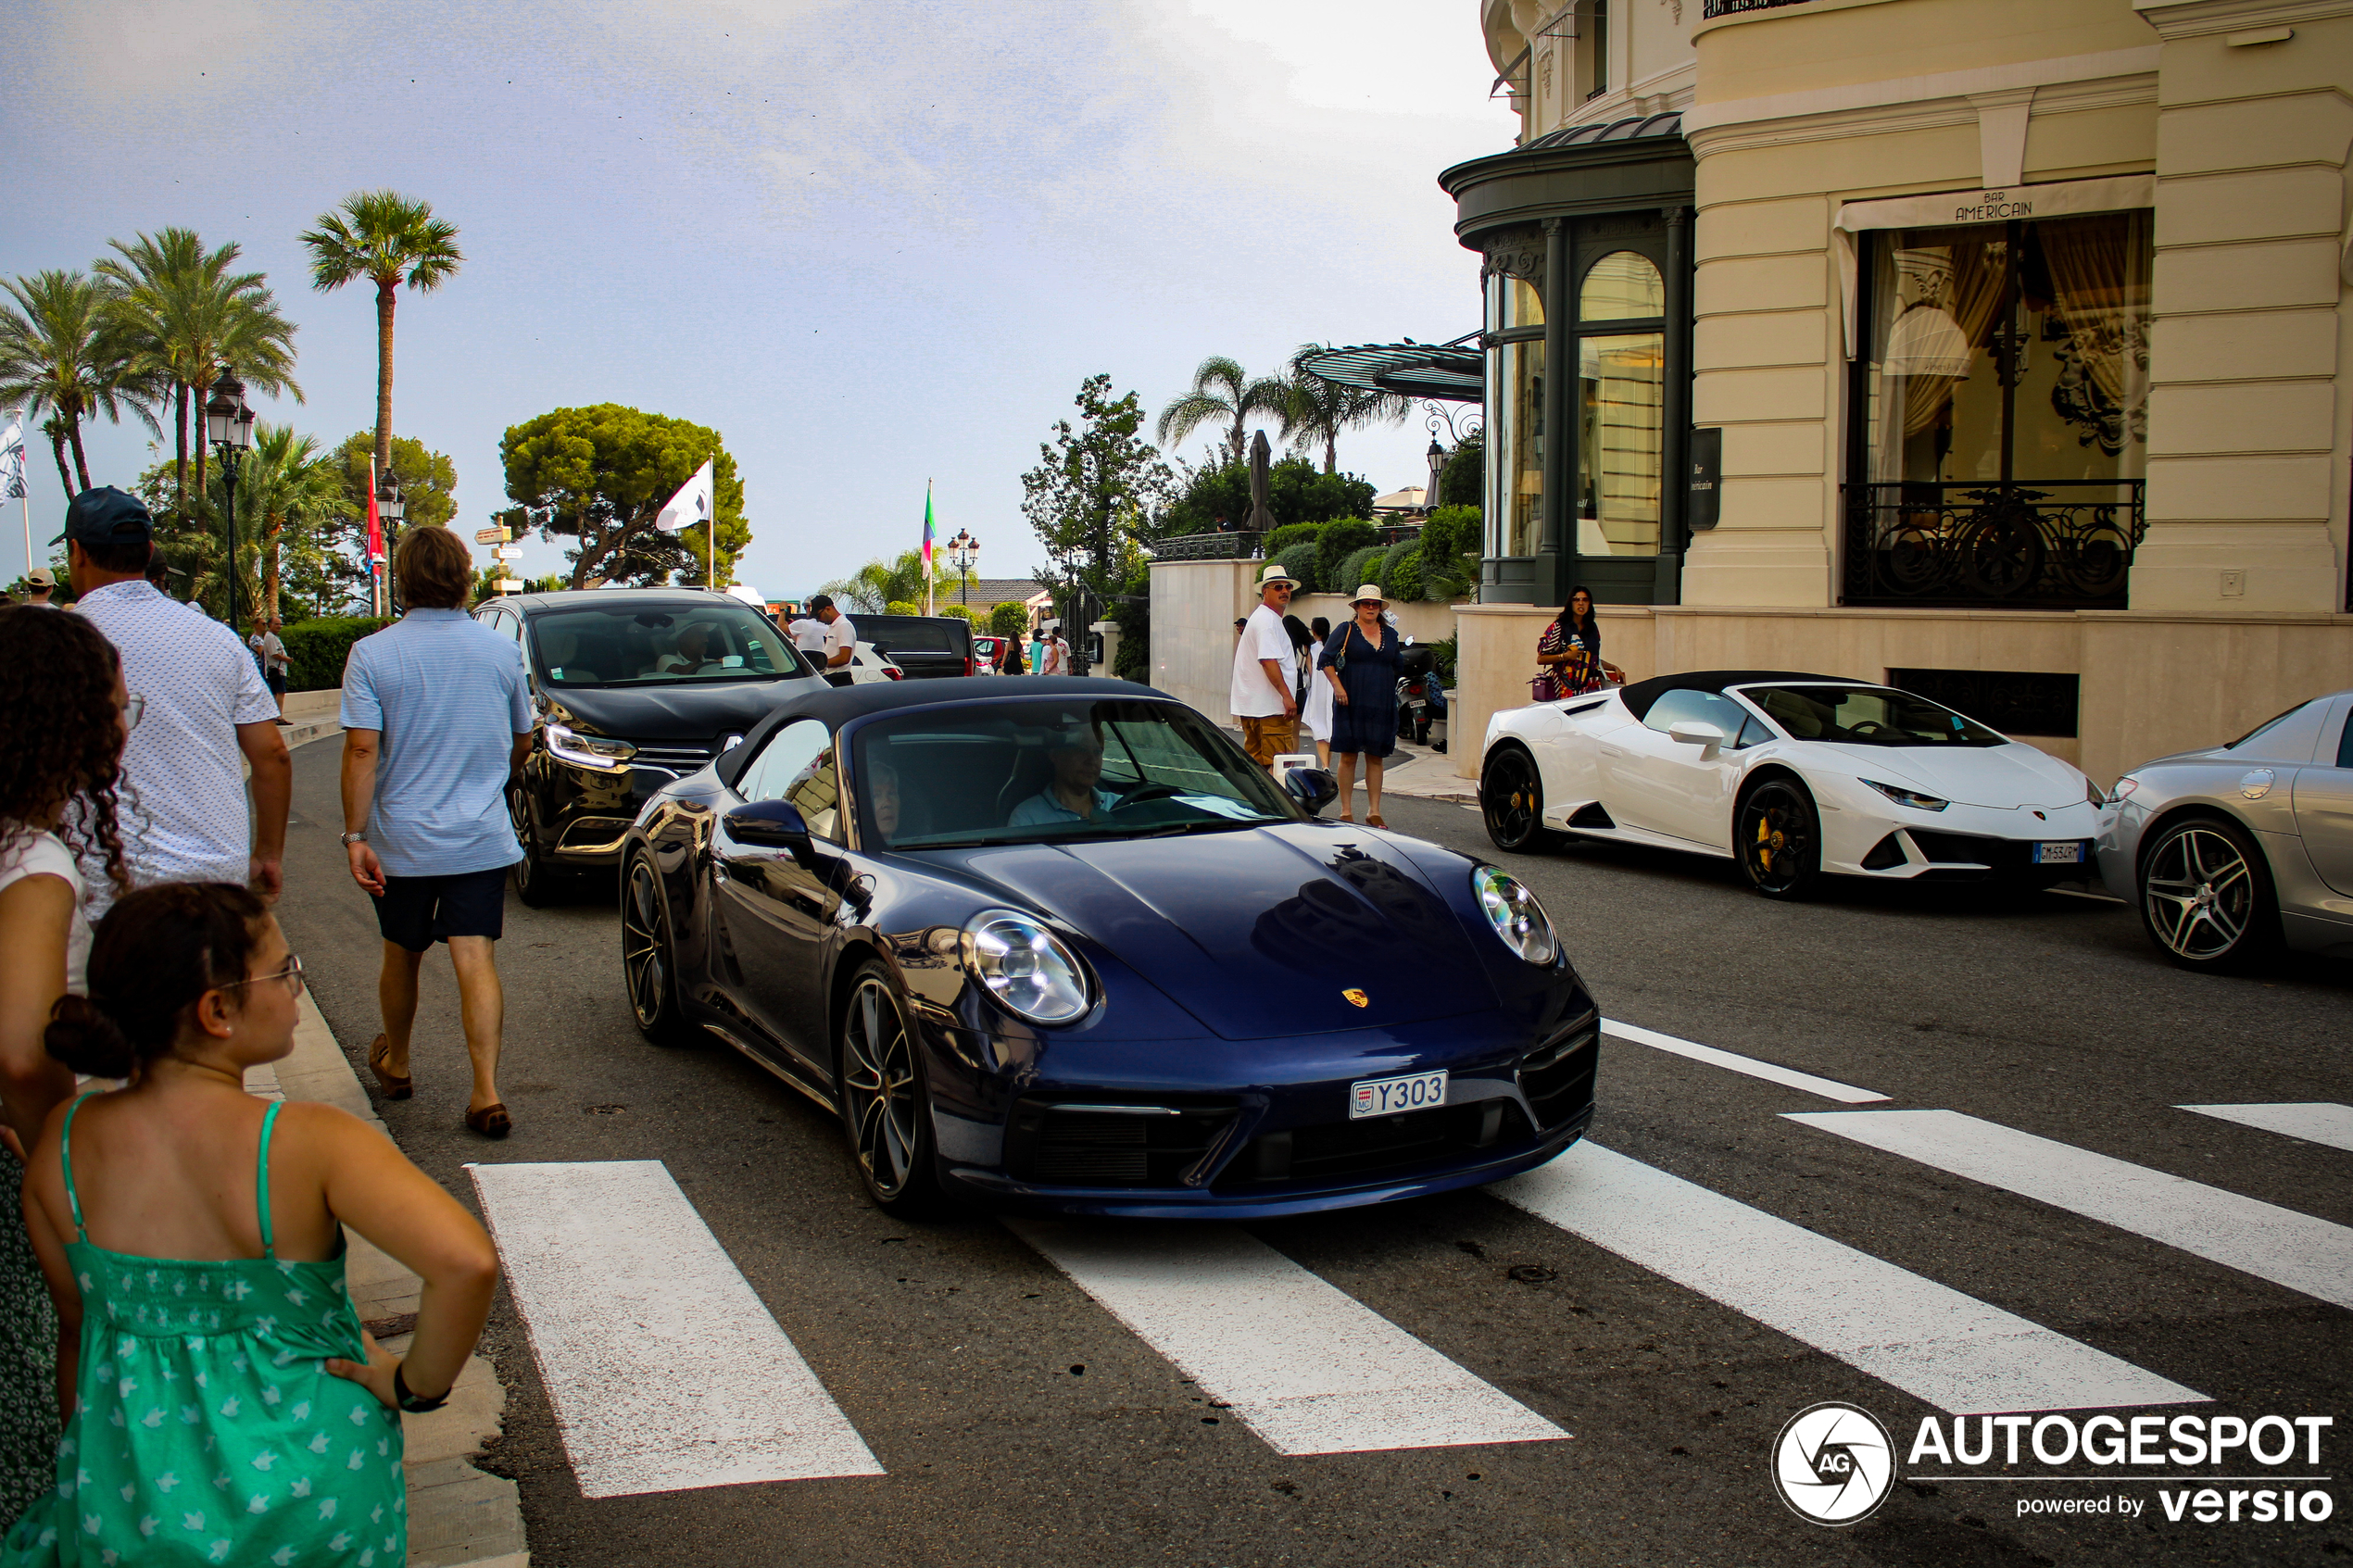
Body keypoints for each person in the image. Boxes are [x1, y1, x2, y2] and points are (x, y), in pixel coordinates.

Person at [5, 883, 500, 1568]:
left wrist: (94, 1474)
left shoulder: (64, 1141)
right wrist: (411, 1383)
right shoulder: (306, 1140)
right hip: (313, 1491)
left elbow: (78, 1332)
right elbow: (465, 1262)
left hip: (139, 1492)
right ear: (217, 1009)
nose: (298, 986)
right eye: (284, 970)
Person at [0, 609, 133, 1532]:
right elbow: (20, 1041)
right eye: (117, 705)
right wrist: (55, 1157)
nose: (126, 718)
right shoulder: (34, 864)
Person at [338, 527, 533, 1140]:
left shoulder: (373, 654)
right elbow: (522, 738)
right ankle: (486, 1091)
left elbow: (362, 748)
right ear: (463, 577)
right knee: (475, 956)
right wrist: (493, 775)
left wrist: (354, 834)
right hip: (477, 834)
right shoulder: (499, 652)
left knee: (403, 952)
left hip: (403, 840)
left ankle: (397, 1062)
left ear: (402, 580)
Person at [62, 487, 291, 912]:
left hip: (106, 882)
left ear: (76, 552)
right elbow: (272, 754)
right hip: (215, 877)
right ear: (149, 550)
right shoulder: (218, 638)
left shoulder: (58, 641)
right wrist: (267, 855)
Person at [1320, 583, 1402, 825]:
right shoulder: (1346, 630)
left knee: (1376, 756)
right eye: (1365, 603)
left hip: (1381, 701)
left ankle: (1374, 811)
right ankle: (1346, 810)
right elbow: (1326, 660)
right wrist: (1338, 686)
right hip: (1350, 699)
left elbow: (1397, 665)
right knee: (1349, 755)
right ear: (1356, 607)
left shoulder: (1391, 635)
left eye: (1374, 604)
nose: (1370, 607)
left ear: (1380, 608)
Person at [1228, 562, 1300, 767]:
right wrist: (1287, 696)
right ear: (1265, 592)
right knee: (1279, 768)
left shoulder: (1261, 618)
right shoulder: (1267, 622)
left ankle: (1253, 800)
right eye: (1278, 587)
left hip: (1256, 707)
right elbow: (1268, 661)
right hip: (1270, 709)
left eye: (1287, 587)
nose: (1284, 591)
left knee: (1258, 767)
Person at [1007, 726, 1119, 827]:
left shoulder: (1119, 805)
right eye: (1081, 750)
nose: (1091, 760)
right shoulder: (1027, 817)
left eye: (1097, 752)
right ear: (1055, 755)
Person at [1534, 585, 1625, 699]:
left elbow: (1591, 658)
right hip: (1565, 691)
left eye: (1585, 600)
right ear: (1570, 603)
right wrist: (1564, 656)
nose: (1580, 603)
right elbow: (1541, 658)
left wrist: (1612, 667)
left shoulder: (1592, 628)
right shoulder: (1559, 627)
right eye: (1576, 600)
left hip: (1590, 690)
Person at [1300, 615, 1336, 767]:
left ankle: (1325, 765)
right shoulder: (1334, 648)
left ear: (1313, 630)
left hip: (1317, 692)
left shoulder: (1311, 650)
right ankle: (1327, 764)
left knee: (1319, 728)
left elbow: (1310, 672)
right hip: (1332, 690)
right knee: (1330, 728)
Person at [248, 615, 292, 723]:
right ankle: (278, 717)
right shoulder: (268, 637)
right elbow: (272, 654)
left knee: (275, 693)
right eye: (276, 624)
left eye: (280, 624)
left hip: (276, 669)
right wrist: (286, 659)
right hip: (274, 669)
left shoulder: (271, 637)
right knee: (280, 692)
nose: (279, 626)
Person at [810, 595, 856, 684]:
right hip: (829, 677)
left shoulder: (843, 625)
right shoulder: (832, 626)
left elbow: (844, 658)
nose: (818, 620)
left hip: (839, 678)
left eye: (818, 615)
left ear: (828, 609)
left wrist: (820, 665)